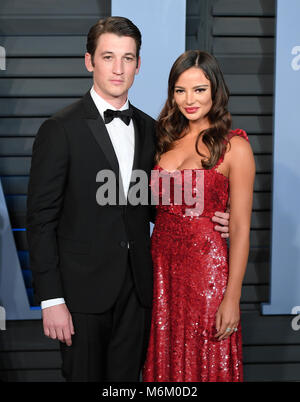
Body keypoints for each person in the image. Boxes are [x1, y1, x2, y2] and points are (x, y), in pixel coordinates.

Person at [26, 17, 230, 382]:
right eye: (108, 57)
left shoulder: (153, 129)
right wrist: (51, 300)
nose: (118, 69)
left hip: (139, 291)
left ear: (138, 64)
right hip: (80, 296)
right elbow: (40, 220)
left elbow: (153, 204)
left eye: (128, 58)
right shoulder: (59, 129)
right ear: (90, 61)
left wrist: (206, 216)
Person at [143, 50, 255, 382]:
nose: (189, 100)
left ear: (215, 91)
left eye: (199, 89)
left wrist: (232, 297)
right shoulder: (164, 140)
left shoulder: (235, 147)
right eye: (180, 90)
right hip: (161, 270)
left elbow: (241, 229)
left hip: (208, 275)